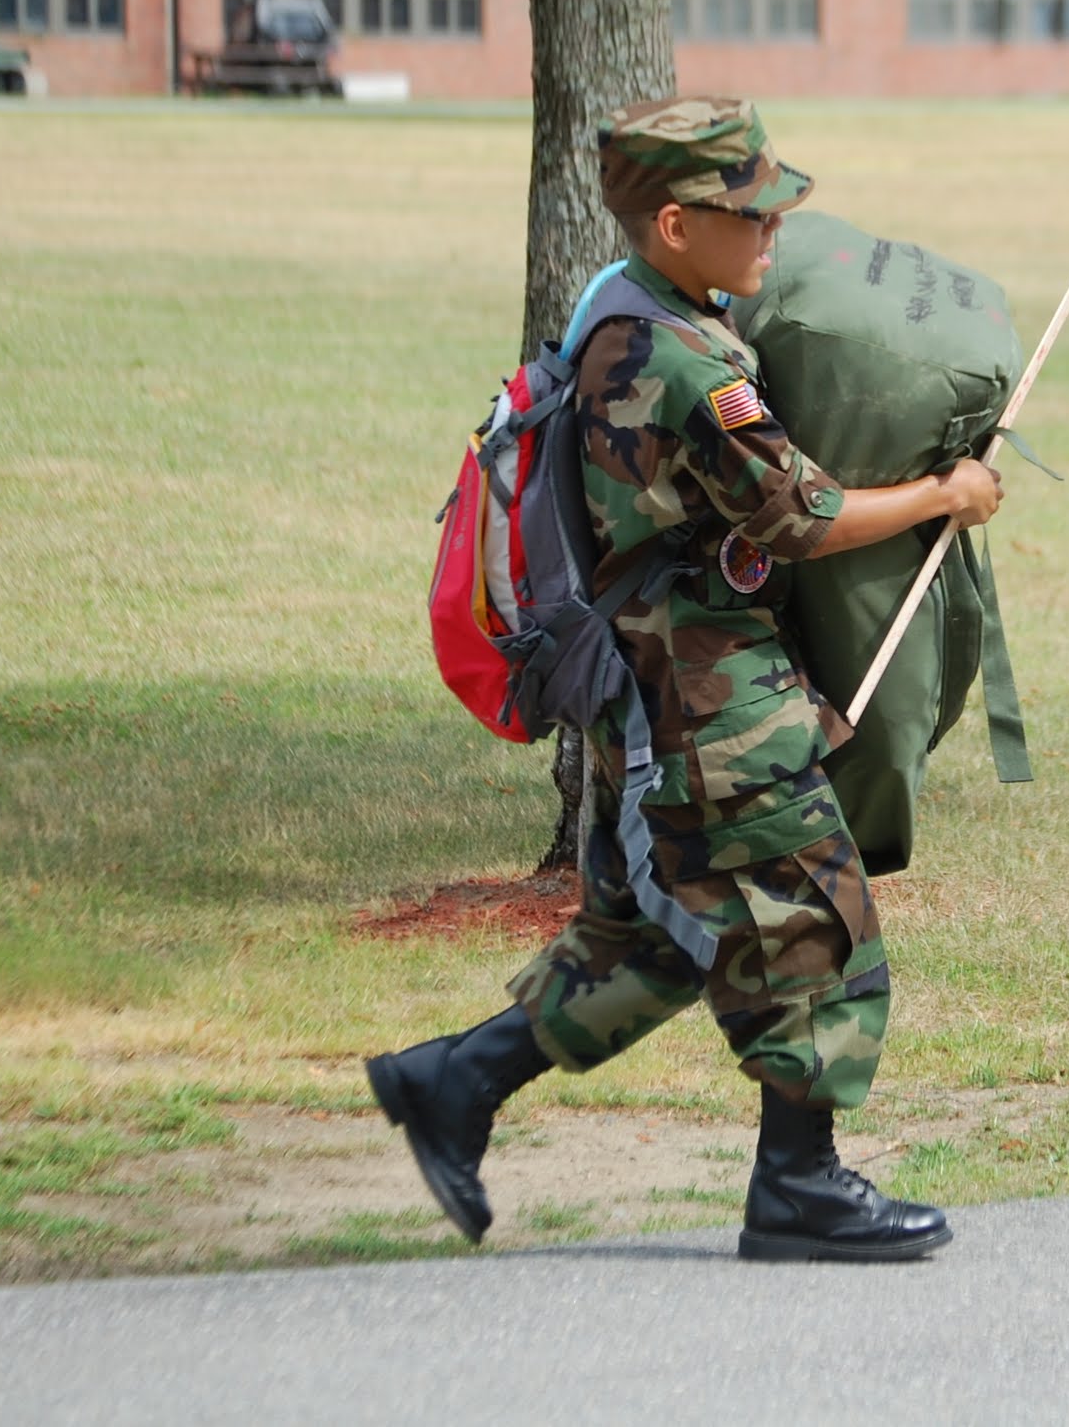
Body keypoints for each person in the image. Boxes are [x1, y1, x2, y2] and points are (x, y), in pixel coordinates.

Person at [367, 95, 1004, 1263]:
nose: (771, 229)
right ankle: (798, 1187)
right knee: (817, 917)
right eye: (746, 210)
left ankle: (450, 1082)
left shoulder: (622, 304)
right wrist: (944, 495)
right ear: (672, 222)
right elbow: (799, 513)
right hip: (710, 700)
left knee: (659, 935)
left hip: (653, 689)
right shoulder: (678, 359)